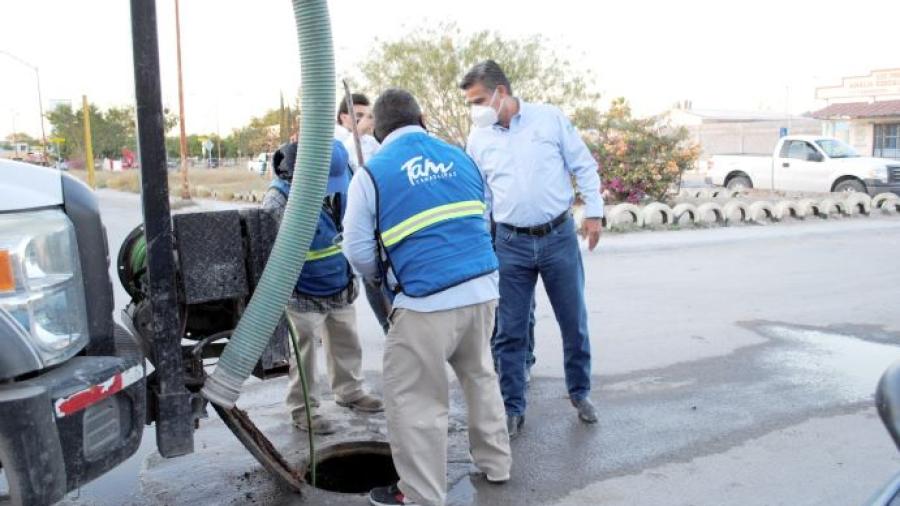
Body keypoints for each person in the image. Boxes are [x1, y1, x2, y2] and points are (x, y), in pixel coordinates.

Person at [343, 89, 511, 506]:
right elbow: (483, 215)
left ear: (378, 132)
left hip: (425, 301)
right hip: (482, 289)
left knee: (416, 401)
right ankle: (497, 464)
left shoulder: (372, 173)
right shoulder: (461, 157)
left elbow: (357, 250)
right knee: (481, 377)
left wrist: (385, 284)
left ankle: (419, 495)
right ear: (421, 118)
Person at [461, 60, 604, 438]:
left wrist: (595, 214)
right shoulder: (479, 139)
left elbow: (584, 167)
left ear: (501, 92)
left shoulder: (548, 119)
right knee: (509, 331)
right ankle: (512, 407)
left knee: (573, 321)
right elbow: (483, 196)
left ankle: (580, 392)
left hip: (557, 238)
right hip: (510, 243)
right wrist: (482, 240)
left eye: (478, 100)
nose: (474, 110)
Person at [262, 140, 383, 435]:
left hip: (339, 285)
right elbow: (268, 254)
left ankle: (350, 391)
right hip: (301, 293)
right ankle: (303, 409)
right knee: (303, 355)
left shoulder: (348, 183)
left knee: (347, 343)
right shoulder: (278, 201)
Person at [335, 92, 381, 173]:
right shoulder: (335, 137)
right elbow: (341, 160)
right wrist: (358, 132)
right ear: (344, 117)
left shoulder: (370, 140)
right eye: (359, 115)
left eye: (368, 116)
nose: (365, 120)